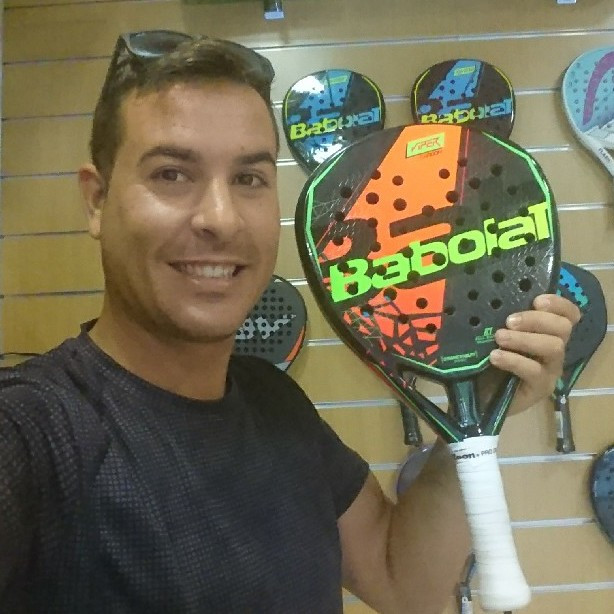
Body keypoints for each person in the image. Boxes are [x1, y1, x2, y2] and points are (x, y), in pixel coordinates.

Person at [0, 31, 580, 614]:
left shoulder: (272, 402)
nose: (221, 219)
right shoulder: (32, 433)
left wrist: (476, 417)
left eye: (248, 179)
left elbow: (403, 583)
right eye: (172, 174)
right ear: (97, 200)